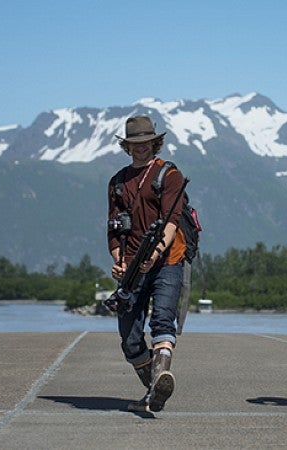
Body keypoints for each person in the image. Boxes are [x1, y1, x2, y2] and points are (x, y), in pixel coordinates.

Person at [107, 115, 187, 413]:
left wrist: (155, 253)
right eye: (134, 144)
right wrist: (118, 260)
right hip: (130, 266)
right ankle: (155, 389)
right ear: (127, 146)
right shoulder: (117, 182)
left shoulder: (170, 175)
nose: (141, 148)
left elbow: (171, 222)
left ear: (155, 142)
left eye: (146, 143)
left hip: (168, 260)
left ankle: (158, 384)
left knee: (163, 322)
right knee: (129, 339)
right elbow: (113, 229)